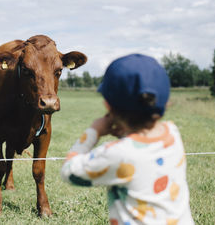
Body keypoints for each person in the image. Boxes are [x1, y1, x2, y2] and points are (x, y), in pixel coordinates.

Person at [61, 54, 194, 225]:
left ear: (108, 106)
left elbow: (69, 172)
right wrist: (127, 135)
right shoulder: (173, 134)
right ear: (165, 100)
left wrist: (94, 131)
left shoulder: (118, 154)